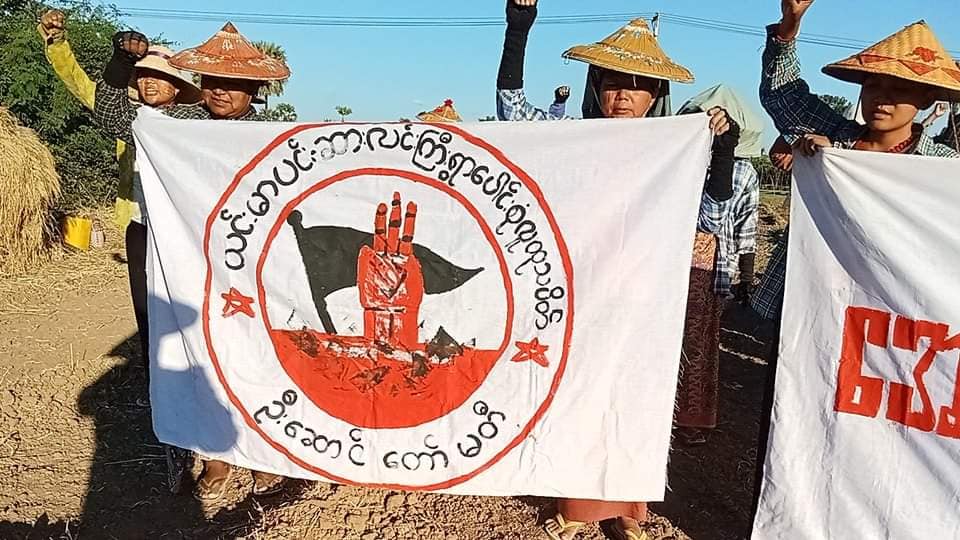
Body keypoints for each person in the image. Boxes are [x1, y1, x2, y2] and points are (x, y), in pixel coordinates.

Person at [495, 1, 740, 538]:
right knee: (576, 391)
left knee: (633, 397)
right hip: (577, 290)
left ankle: (627, 509)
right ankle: (574, 502)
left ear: (657, 94)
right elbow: (513, 110)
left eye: (637, 83)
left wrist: (719, 155)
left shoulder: (675, 150)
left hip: (641, 297)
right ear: (594, 85)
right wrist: (519, 30)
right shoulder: (572, 139)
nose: (622, 94)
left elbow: (712, 216)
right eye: (610, 81)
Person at [752, 0, 960, 512]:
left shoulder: (942, 171)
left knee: (871, 429)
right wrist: (789, 31)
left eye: (900, 90)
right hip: (807, 306)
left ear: (930, 103)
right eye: (874, 87)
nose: (882, 100)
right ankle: (783, 513)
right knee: (788, 415)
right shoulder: (832, 140)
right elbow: (783, 95)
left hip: (889, 327)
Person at [93, 22, 292, 502]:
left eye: (235, 84)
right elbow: (112, 119)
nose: (221, 92)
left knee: (251, 351)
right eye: (213, 81)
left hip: (243, 265)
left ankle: (261, 456)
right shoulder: (176, 126)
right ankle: (212, 454)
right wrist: (121, 63)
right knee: (184, 349)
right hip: (174, 256)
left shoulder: (274, 136)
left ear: (256, 89)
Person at [675, 85, 762, 445]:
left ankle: (691, 417)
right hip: (675, 258)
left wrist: (745, 275)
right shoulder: (679, 161)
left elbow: (745, 225)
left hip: (707, 265)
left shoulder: (740, 172)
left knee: (697, 342)